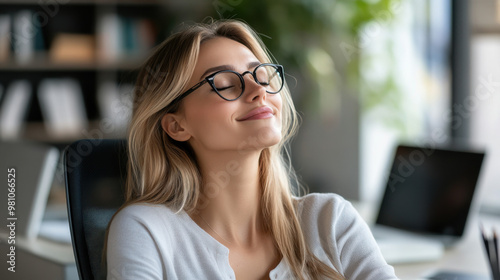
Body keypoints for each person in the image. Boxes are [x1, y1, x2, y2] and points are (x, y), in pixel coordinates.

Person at [106, 19, 398, 280]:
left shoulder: (330, 221)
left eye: (261, 75)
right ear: (176, 126)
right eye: (224, 84)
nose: (259, 90)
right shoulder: (147, 231)